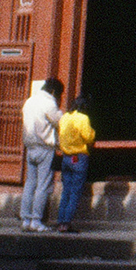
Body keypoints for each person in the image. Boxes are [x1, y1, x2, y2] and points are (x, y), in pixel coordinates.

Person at [19, 77, 62, 232]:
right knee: (43, 186)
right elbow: (60, 121)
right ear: (54, 92)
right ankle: (36, 220)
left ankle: (25, 219)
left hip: (30, 147)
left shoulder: (29, 101)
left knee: (29, 184)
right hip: (45, 147)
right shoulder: (49, 103)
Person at [55, 97, 95, 232]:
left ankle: (60, 222)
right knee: (75, 192)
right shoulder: (83, 118)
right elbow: (88, 137)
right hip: (78, 157)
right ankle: (67, 223)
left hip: (66, 157)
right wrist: (93, 132)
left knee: (66, 191)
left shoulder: (65, 117)